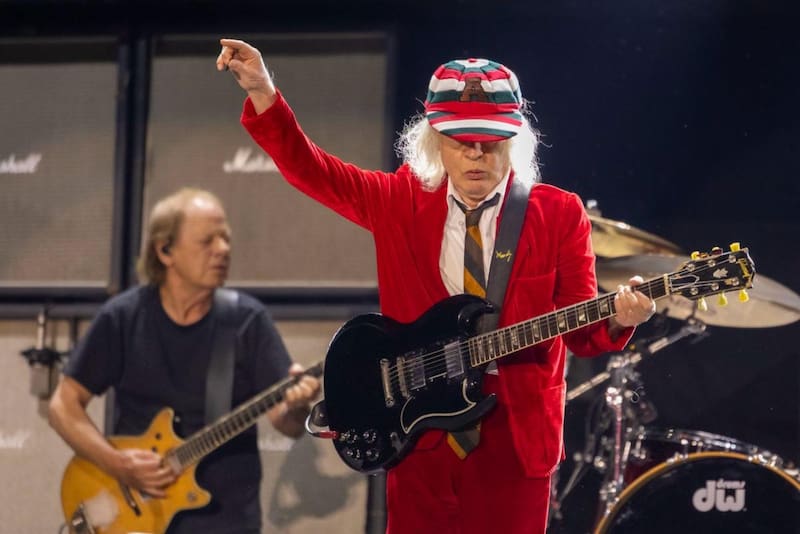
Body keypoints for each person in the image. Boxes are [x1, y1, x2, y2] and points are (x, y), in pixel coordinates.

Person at [217, 39, 656, 534]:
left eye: (489, 140)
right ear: (433, 137)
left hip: (513, 445)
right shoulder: (399, 200)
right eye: (460, 139)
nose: (475, 154)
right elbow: (311, 169)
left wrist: (620, 317)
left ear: (514, 138)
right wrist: (263, 91)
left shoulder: (557, 214)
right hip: (418, 439)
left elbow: (581, 330)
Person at [48, 187, 321, 534]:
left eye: (226, 239)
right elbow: (62, 406)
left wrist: (297, 406)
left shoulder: (246, 321)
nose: (223, 250)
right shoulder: (123, 317)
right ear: (165, 250)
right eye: (207, 241)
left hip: (226, 520)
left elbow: (288, 424)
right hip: (138, 517)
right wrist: (117, 464)